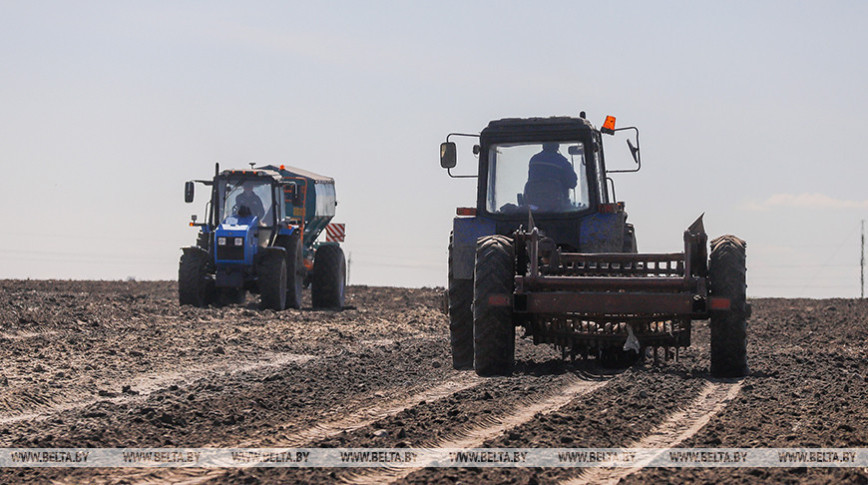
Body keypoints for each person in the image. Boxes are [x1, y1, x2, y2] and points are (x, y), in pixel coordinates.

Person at [524, 142, 578, 210]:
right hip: (559, 207)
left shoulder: (534, 160)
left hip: (534, 206)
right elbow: (572, 183)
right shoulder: (563, 162)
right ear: (557, 146)